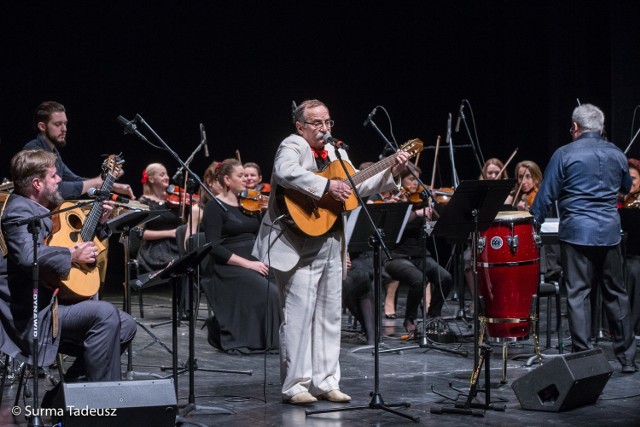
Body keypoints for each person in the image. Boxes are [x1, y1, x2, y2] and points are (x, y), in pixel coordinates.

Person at [252, 99, 409, 405]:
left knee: (329, 314)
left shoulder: (337, 152)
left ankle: (326, 381)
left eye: (327, 122)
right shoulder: (292, 145)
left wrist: (393, 170)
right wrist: (326, 188)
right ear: (301, 126)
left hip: (330, 240)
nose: (324, 129)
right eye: (317, 123)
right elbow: (285, 173)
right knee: (298, 315)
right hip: (296, 240)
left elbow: (357, 185)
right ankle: (296, 384)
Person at [0, 149, 136, 381]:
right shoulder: (19, 211)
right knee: (104, 314)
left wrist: (100, 224)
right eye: (54, 176)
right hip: (35, 313)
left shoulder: (45, 210)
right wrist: (71, 255)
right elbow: (26, 255)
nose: (60, 180)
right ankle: (100, 401)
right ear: (37, 183)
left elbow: (71, 241)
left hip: (54, 301)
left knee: (126, 325)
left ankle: (69, 396)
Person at [530, 103, 637, 374]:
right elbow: (626, 187)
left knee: (578, 294)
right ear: (601, 128)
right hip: (610, 233)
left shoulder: (565, 153)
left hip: (577, 233)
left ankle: (584, 358)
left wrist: (535, 224)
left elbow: (546, 195)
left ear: (575, 128)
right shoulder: (615, 153)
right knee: (616, 294)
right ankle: (627, 359)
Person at [201, 159, 280, 354]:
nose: (246, 179)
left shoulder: (251, 202)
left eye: (247, 175)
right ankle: (263, 341)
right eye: (241, 176)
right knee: (272, 294)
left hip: (256, 259)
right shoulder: (214, 207)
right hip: (229, 265)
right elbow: (214, 247)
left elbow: (261, 235)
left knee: (286, 287)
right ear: (227, 179)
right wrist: (248, 265)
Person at [382, 164, 453, 336]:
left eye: (418, 180)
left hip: (419, 255)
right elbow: (396, 227)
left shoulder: (421, 201)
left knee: (446, 278)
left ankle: (433, 316)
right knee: (419, 280)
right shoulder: (394, 201)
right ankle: (409, 319)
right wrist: (418, 214)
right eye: (411, 179)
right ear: (401, 180)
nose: (416, 184)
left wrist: (434, 212)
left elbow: (433, 230)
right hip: (396, 256)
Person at [24, 101, 134, 200]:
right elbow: (57, 189)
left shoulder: (53, 152)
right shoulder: (34, 151)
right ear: (42, 126)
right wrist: (96, 182)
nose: (64, 129)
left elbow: (74, 179)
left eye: (65, 124)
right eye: (58, 124)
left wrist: (111, 185)